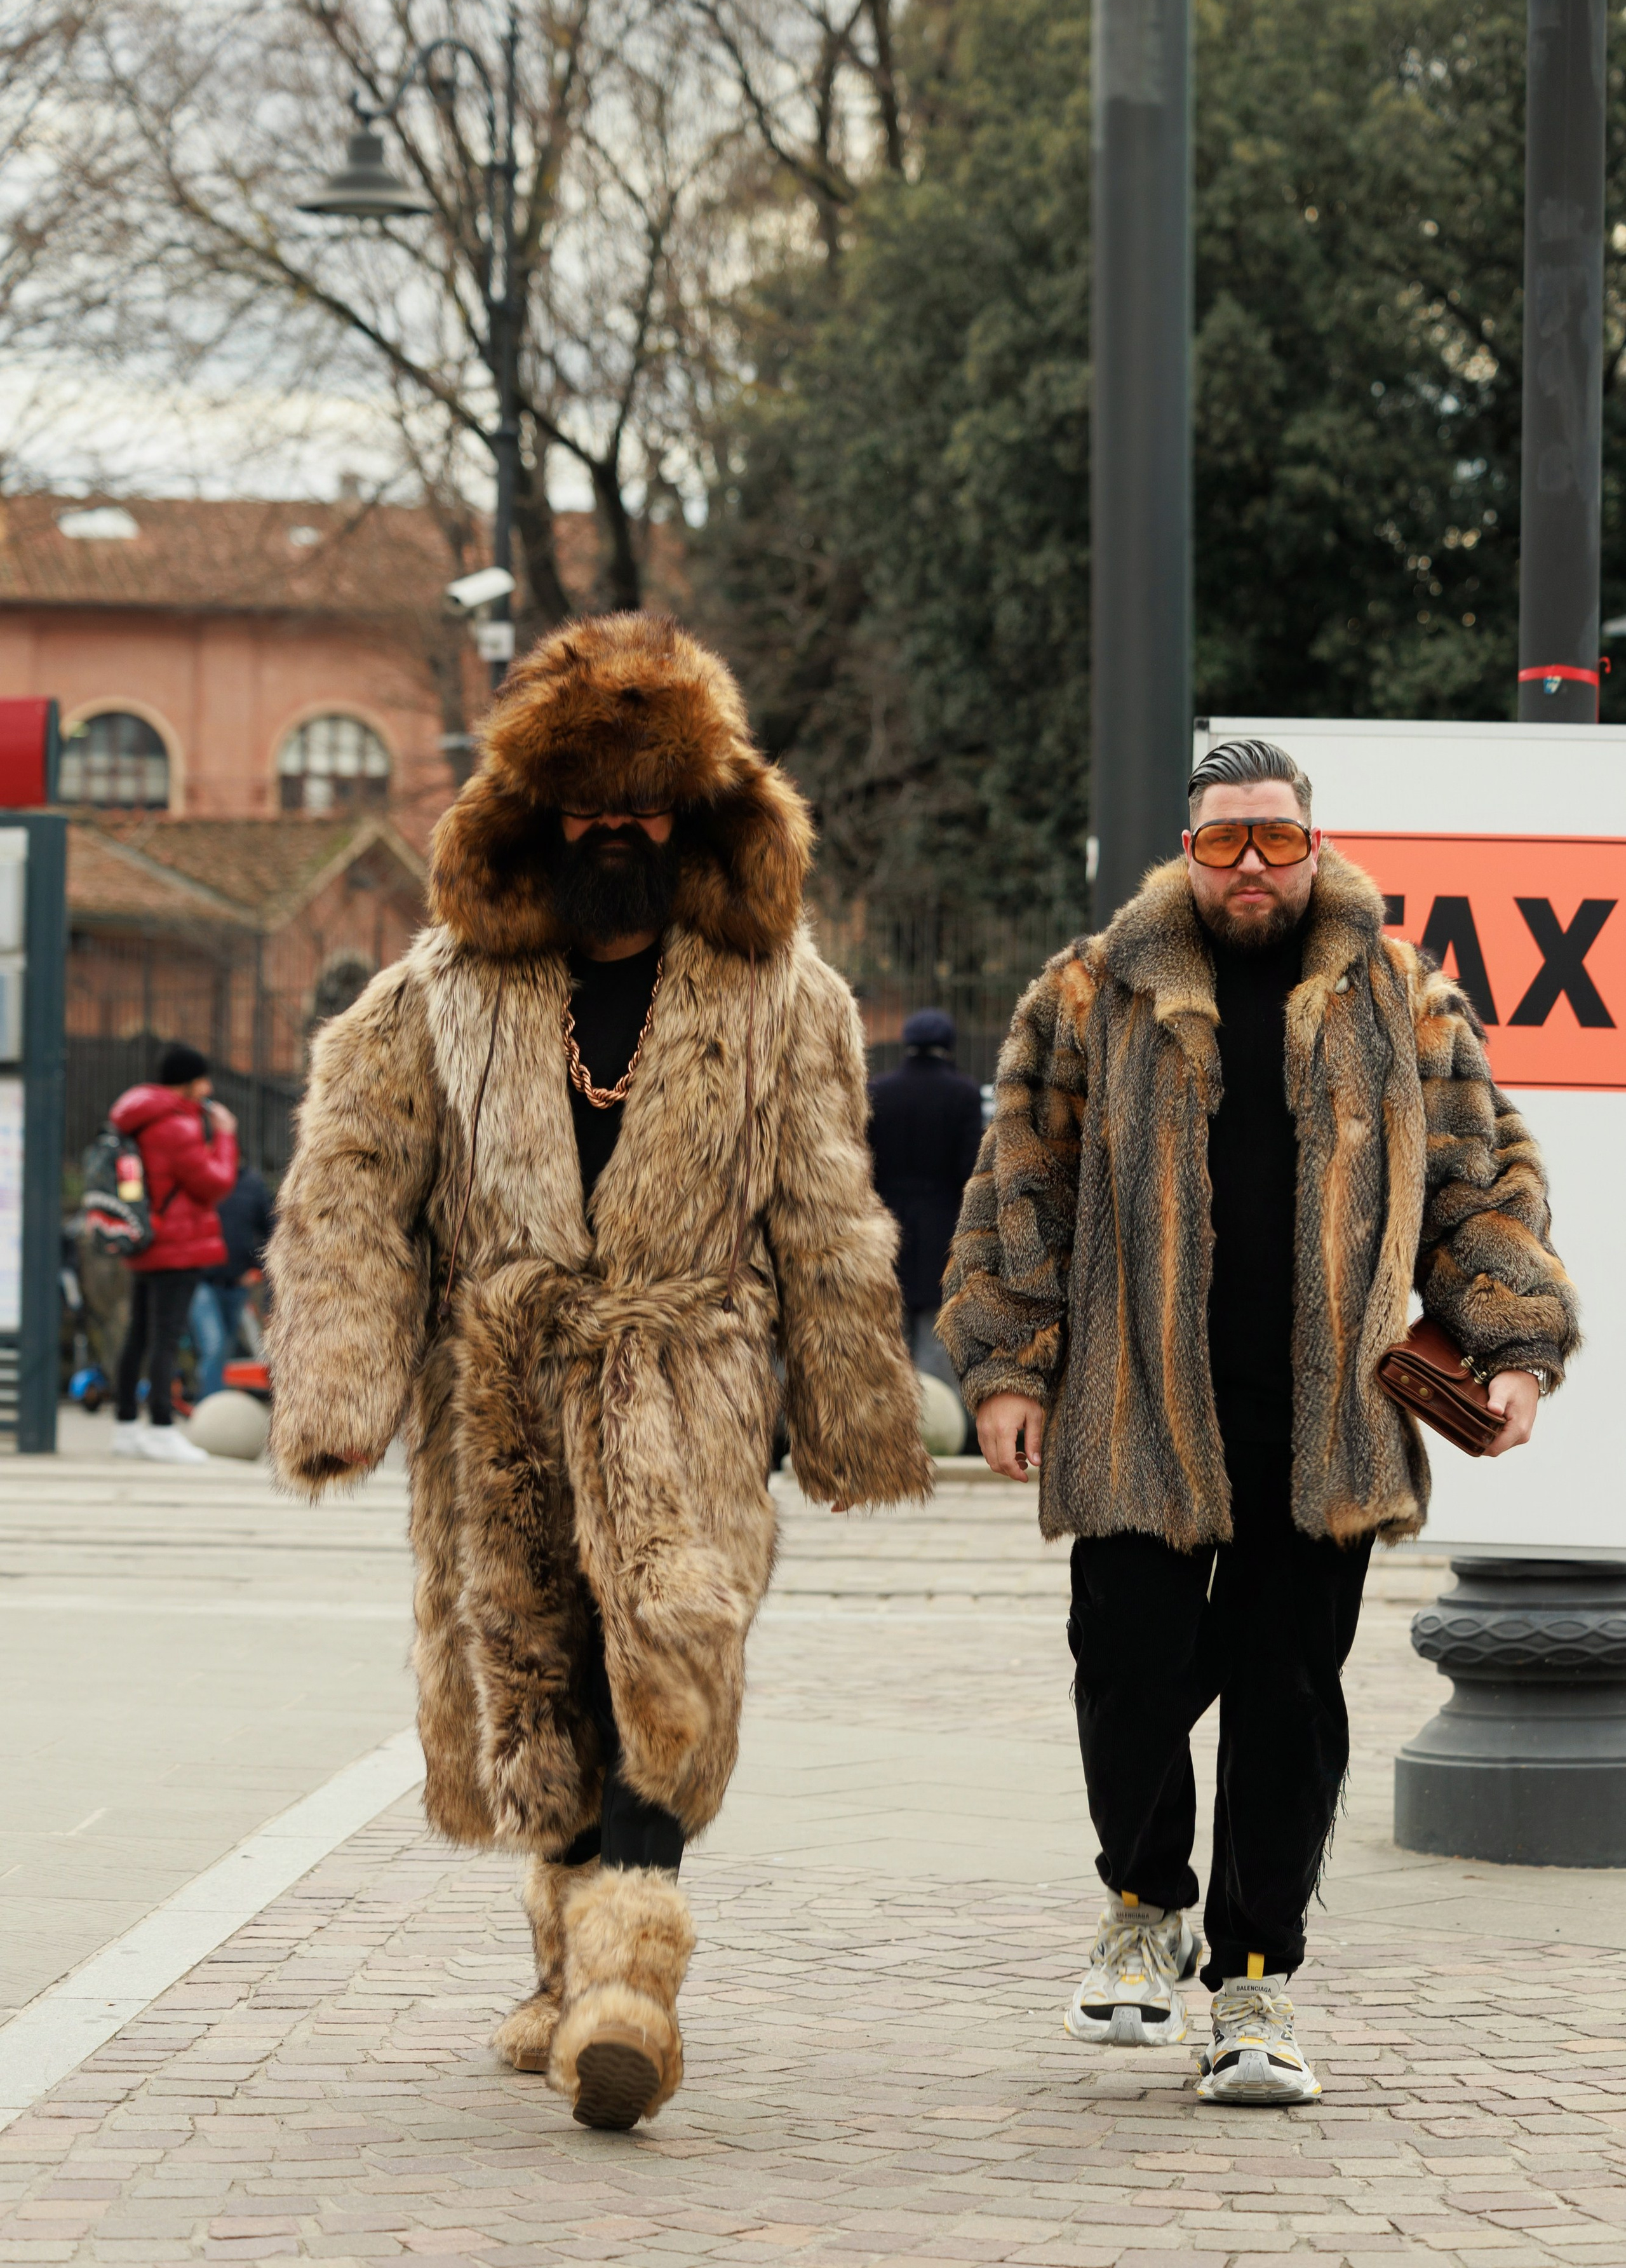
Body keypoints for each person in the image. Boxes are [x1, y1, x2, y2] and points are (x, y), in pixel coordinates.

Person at [265, 611, 931, 2133]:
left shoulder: (786, 996)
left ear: (697, 813)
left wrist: (847, 1415)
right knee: (536, 1678)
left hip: (692, 1372)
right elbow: (350, 1188)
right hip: (495, 1385)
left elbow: (826, 1211)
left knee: (673, 1657)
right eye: (586, 801)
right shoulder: (431, 995)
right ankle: (566, 1961)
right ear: (534, 812)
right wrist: (343, 1390)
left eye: (647, 801)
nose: (616, 828)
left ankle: (629, 1982)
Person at [940, 736, 1578, 2106]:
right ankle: (1142, 1905)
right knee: (1127, 1671)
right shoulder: (1090, 991)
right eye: (1224, 839)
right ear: (1187, 851)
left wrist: (1514, 1340)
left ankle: (1250, 1987)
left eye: (1275, 840)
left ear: (1312, 846)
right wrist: (1006, 1368)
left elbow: (1477, 1183)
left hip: (1323, 1422)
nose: (1250, 864)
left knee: (1287, 1702)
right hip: (1134, 1405)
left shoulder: (1402, 996)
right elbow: (1020, 1190)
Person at [111, 1044, 239, 1462]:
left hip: (148, 1241)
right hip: (178, 1246)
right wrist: (225, 1135)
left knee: (138, 1336)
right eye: (203, 1080)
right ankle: (161, 1428)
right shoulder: (176, 1126)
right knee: (165, 1339)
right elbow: (216, 1182)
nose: (209, 1089)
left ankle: (126, 1426)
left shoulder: (141, 1119)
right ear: (188, 1083)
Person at [867, 1007, 984, 1401]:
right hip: (943, 1227)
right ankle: (938, 1418)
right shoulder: (964, 1094)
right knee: (937, 1328)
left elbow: (866, 1163)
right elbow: (970, 1170)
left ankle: (888, 1414)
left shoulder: (880, 1091)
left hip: (887, 1227)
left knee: (889, 1329)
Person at [190, 1162, 275, 1400]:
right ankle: (209, 1409)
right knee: (214, 1346)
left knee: (223, 1351)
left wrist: (257, 1267)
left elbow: (273, 1230)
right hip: (203, 1283)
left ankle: (211, 1402)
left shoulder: (252, 1185)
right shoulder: (200, 1179)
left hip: (238, 1286)